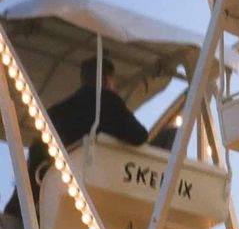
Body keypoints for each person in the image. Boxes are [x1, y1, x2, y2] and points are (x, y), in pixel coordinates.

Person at [3, 56, 148, 218]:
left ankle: (15, 208)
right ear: (107, 80)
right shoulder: (111, 103)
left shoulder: (59, 110)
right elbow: (140, 136)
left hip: (53, 182)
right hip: (96, 183)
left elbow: (38, 148)